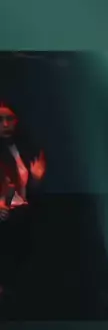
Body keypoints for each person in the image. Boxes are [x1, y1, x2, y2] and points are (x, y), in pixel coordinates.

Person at [0, 101, 46, 310]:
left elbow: (25, 189)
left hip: (22, 215)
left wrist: (36, 179)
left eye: (9, 119)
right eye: (0, 120)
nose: (5, 124)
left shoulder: (22, 148)